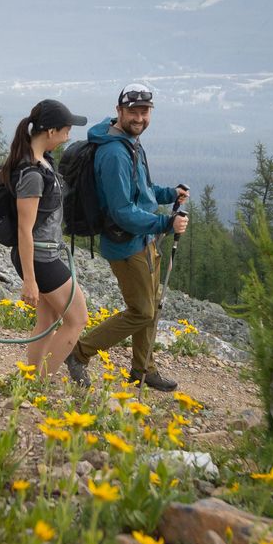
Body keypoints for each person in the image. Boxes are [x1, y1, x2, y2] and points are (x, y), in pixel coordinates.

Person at [67, 82, 188, 392]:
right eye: (132, 111)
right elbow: (122, 211)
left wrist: (168, 193)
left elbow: (142, 192)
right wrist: (165, 223)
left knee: (153, 305)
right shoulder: (114, 154)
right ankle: (79, 352)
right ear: (119, 111)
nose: (139, 117)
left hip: (144, 240)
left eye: (144, 111)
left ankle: (143, 369)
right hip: (126, 243)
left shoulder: (130, 142)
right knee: (142, 311)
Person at [0, 98, 89, 379]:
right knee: (78, 319)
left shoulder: (41, 162)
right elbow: (24, 230)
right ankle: (41, 382)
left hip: (43, 255)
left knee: (48, 318)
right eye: (66, 130)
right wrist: (29, 280)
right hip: (40, 259)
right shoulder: (32, 174)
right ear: (51, 132)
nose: (69, 136)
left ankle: (31, 377)